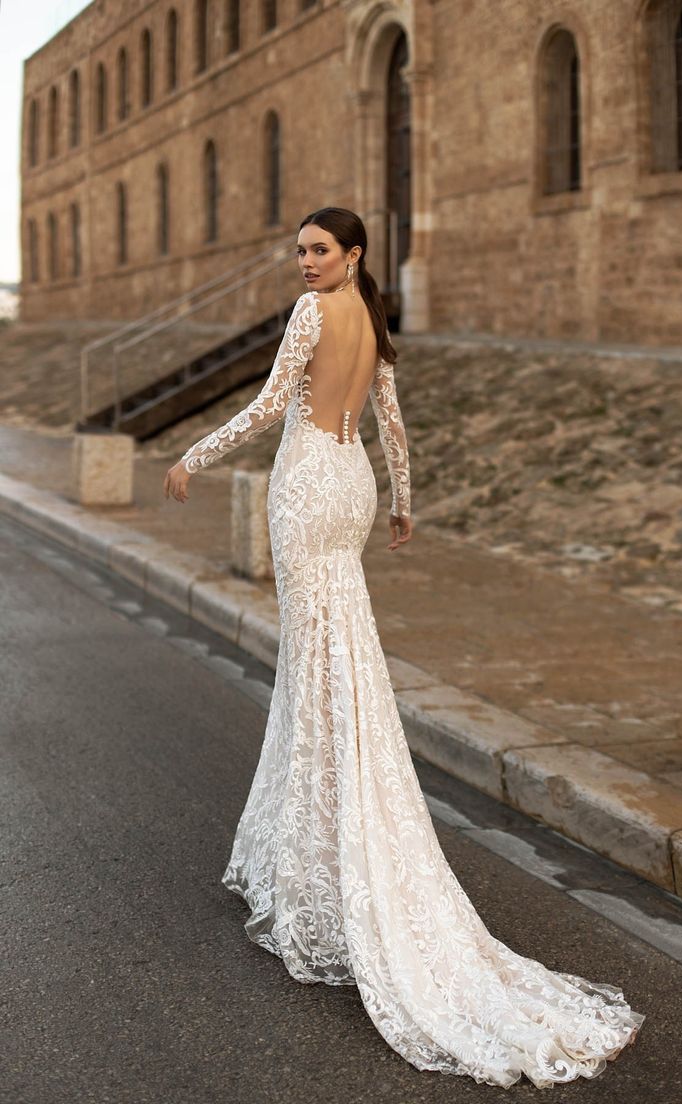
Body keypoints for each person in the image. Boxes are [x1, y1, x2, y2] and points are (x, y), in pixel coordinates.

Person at [163, 207, 644, 1088]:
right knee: (336, 656)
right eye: (299, 251)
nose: (304, 263)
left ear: (352, 256)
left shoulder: (313, 315)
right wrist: (401, 502)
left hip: (310, 482)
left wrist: (193, 453)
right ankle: (320, 839)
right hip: (351, 483)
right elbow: (392, 421)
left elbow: (274, 405)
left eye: (319, 250)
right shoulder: (374, 320)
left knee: (313, 665)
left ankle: (319, 861)